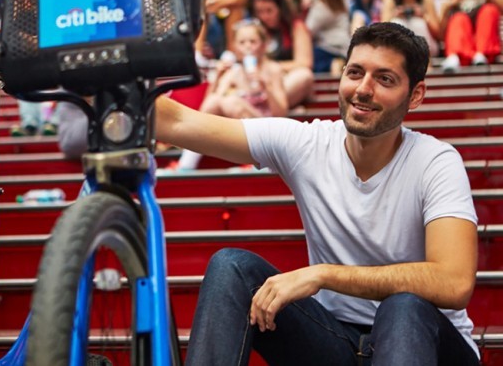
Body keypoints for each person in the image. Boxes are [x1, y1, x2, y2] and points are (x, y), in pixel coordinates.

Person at [155, 22, 479, 365]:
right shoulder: (308, 144)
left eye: (385, 79)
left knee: (403, 306)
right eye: (355, 72)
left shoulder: (435, 161)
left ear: (415, 95)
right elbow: (178, 123)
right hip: (337, 341)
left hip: (427, 345)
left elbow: (453, 282)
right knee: (231, 267)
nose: (363, 89)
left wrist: (323, 274)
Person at [172, 19, 288, 170]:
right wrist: (218, 78)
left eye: (253, 41)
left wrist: (267, 87)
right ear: (235, 47)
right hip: (241, 132)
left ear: (263, 45)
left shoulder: (273, 69)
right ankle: (187, 163)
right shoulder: (234, 72)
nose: (248, 46)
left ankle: (257, 161)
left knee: (232, 101)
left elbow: (281, 113)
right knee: (218, 100)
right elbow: (208, 106)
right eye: (242, 42)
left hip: (267, 131)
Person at [249, 0, 314, 109]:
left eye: (269, 11)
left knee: (304, 75)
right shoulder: (255, 28)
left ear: (280, 9)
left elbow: (305, 63)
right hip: (260, 80)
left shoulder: (296, 27)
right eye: (260, 12)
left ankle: (266, 107)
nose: (264, 16)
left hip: (286, 80)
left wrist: (274, 67)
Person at [440, 0, 503, 73]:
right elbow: (440, 35)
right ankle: (455, 55)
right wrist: (447, 9)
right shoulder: (448, 1)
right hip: (463, 51)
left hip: (485, 50)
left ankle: (481, 53)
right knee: (459, 18)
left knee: (489, 10)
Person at [305, 0, 350, 75]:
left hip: (328, 49)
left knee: (305, 59)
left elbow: (308, 30)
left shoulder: (322, 5)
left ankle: (333, 64)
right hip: (344, 46)